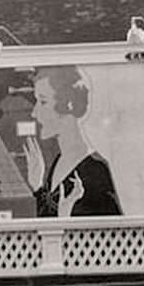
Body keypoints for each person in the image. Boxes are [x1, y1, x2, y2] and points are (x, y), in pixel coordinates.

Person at [26, 66, 122, 217]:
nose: (34, 112)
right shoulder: (61, 159)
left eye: (43, 102)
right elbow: (47, 220)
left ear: (69, 105)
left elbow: (111, 234)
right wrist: (38, 188)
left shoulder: (96, 171)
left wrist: (66, 221)